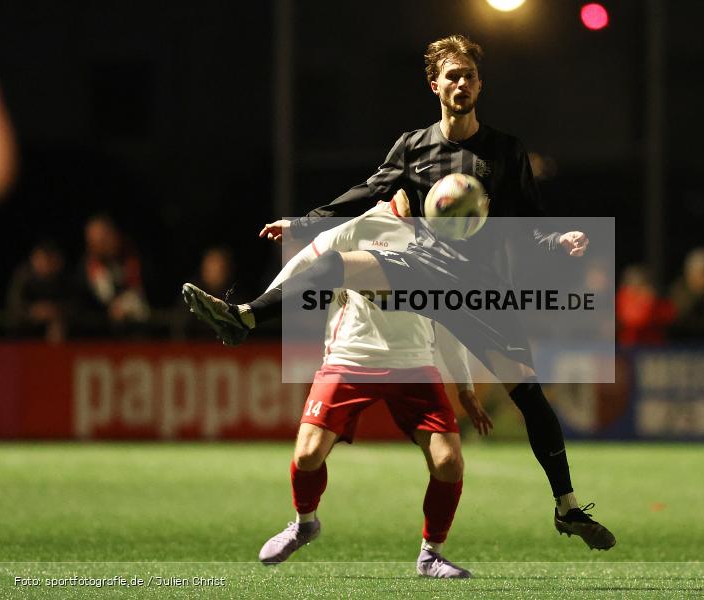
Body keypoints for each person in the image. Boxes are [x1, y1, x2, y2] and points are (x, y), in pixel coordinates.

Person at [184, 34, 614, 551]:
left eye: (469, 76)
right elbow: (368, 191)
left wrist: (556, 239)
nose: (461, 83)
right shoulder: (414, 146)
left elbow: (529, 221)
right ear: (435, 85)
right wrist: (306, 222)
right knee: (334, 266)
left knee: (529, 396)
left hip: (477, 290)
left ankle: (567, 509)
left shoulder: (505, 151)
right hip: (422, 268)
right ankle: (246, 317)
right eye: (452, 76)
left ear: (480, 85)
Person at [188, 191, 491, 578]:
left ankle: (431, 554)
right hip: (351, 357)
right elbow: (306, 264)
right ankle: (304, 524)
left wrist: (464, 386)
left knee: (449, 462)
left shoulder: (444, 240)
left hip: (415, 364)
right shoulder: (364, 225)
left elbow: (448, 317)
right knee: (308, 456)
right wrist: (255, 309)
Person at [6, 240, 71, 342]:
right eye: (40, 259)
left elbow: (76, 305)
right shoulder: (23, 277)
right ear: (33, 259)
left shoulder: (65, 279)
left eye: (49, 259)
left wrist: (55, 311)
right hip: (24, 333)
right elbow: (14, 305)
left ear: (58, 261)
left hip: (59, 333)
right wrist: (33, 311)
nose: (45, 264)